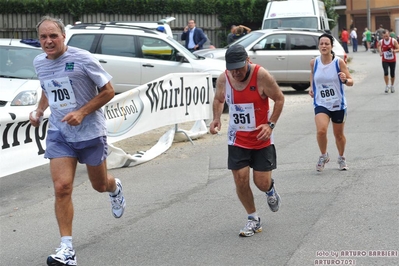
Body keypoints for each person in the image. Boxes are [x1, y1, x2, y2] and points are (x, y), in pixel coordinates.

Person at [29, 16, 126, 265]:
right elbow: (47, 88)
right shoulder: (39, 62)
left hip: (90, 133)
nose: (48, 41)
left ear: (63, 36)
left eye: (53, 36)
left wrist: (82, 112)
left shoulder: (82, 58)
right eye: (43, 37)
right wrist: (39, 111)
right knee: (62, 188)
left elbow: (108, 90)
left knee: (99, 184)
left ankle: (114, 188)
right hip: (60, 134)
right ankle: (67, 249)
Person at [209, 44, 285, 237]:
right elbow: (218, 99)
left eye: (239, 69)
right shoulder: (223, 79)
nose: (235, 73)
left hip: (262, 139)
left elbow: (279, 98)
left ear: (248, 61)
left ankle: (269, 190)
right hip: (237, 139)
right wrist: (216, 118)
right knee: (240, 180)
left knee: (261, 182)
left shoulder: (261, 76)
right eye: (231, 69)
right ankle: (253, 218)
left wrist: (270, 125)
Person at [309, 33, 354, 172]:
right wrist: (311, 87)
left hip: (338, 103)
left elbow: (351, 81)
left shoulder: (338, 62)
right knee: (321, 131)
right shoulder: (314, 62)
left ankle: (341, 157)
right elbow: (312, 75)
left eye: (326, 43)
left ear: (331, 46)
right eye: (321, 43)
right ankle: (324, 155)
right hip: (321, 102)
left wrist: (345, 79)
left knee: (338, 135)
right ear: (318, 46)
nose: (324, 46)